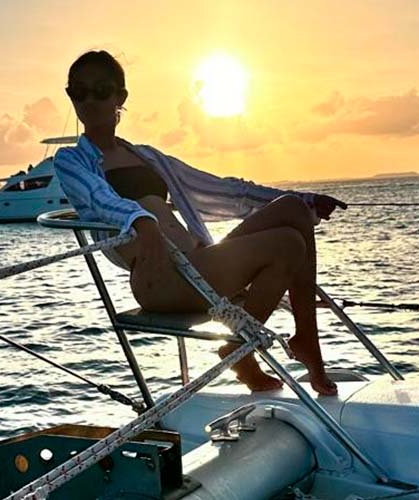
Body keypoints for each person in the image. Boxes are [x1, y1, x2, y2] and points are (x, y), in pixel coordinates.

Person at [54, 51, 347, 395]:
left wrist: (308, 200)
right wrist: (141, 219)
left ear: (120, 96)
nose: (89, 100)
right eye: (79, 92)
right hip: (160, 279)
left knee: (295, 209)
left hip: (199, 261)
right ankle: (244, 352)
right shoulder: (72, 160)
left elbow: (221, 190)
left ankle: (301, 339)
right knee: (287, 245)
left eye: (100, 90)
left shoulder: (147, 156)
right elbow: (100, 199)